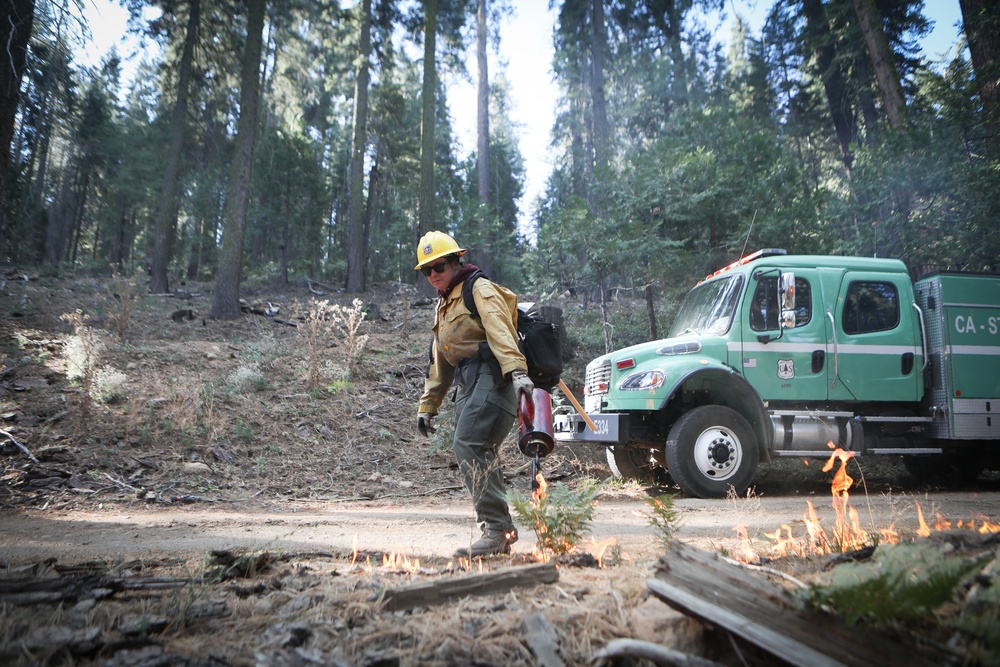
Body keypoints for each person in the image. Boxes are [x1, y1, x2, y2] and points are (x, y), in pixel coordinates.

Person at [414, 231, 534, 557]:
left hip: (493, 376)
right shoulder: (444, 304)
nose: (433, 274)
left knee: (469, 443)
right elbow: (440, 360)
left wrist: (518, 371)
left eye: (439, 265)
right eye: (426, 270)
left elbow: (499, 327)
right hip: (467, 383)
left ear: (455, 261)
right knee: (474, 447)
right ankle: (499, 530)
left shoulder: (477, 288)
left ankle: (497, 530)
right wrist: (428, 405)